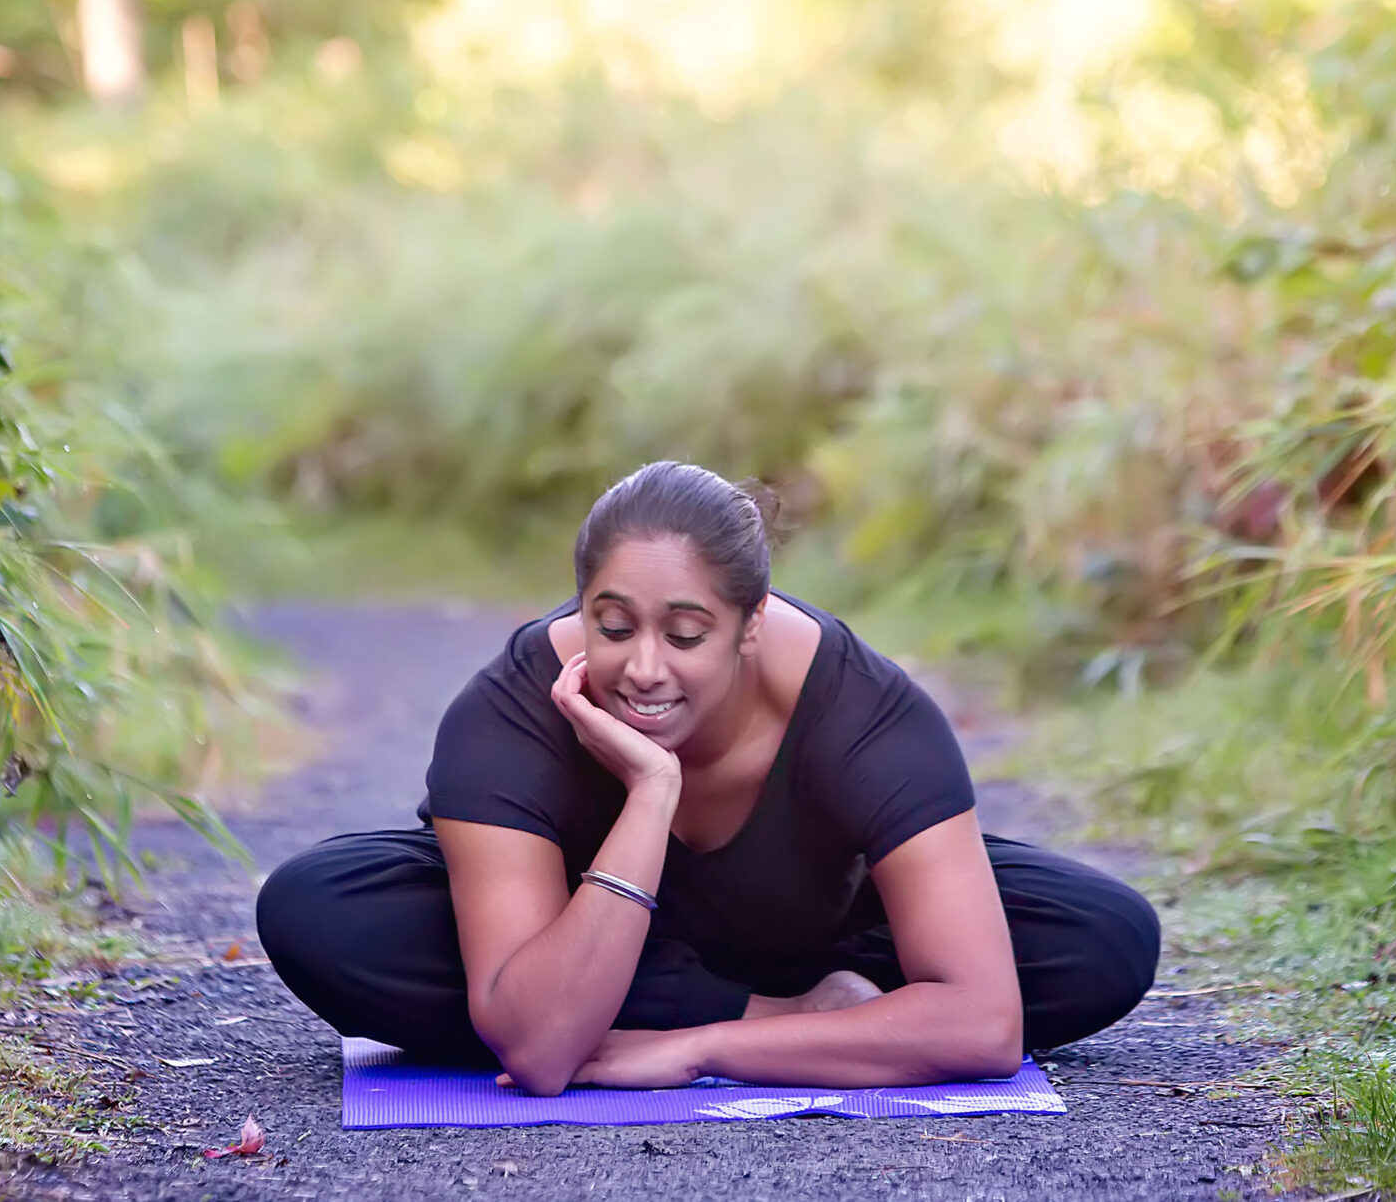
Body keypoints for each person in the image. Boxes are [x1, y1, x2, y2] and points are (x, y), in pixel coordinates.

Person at [256, 461, 1160, 1096]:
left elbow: (988, 1028)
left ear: (750, 623)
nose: (644, 667)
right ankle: (819, 1018)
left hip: (816, 921)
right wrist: (651, 792)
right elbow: (536, 1050)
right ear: (581, 609)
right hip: (587, 926)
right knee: (320, 909)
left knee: (1098, 936)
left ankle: (753, 1009)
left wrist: (704, 1045)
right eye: (613, 626)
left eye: (685, 634)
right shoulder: (508, 710)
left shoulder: (863, 708)